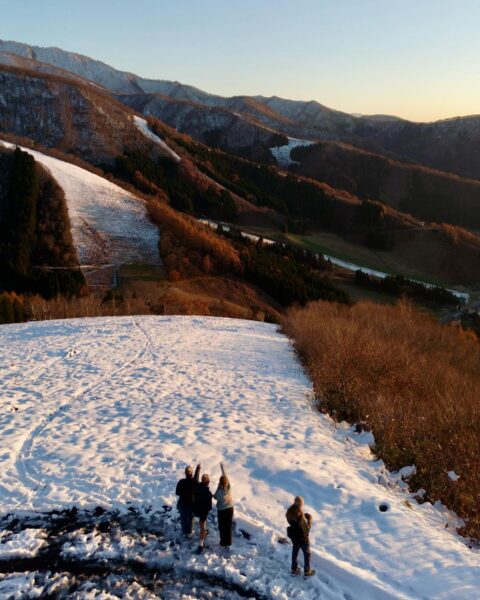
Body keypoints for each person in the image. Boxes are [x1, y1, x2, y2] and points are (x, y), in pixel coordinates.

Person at [286, 496, 315, 578]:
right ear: (301, 504)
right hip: (302, 539)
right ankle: (307, 572)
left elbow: (292, 521)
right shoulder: (299, 515)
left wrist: (303, 516)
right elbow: (307, 529)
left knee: (295, 553)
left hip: (294, 537)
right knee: (307, 554)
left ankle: (294, 569)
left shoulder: (289, 511)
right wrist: (310, 519)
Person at [213, 462, 234, 548]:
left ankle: (223, 542)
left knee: (222, 527)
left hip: (222, 510)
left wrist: (218, 487)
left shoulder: (219, 492)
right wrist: (222, 468)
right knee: (228, 526)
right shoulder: (229, 486)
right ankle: (228, 542)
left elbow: (215, 497)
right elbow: (225, 475)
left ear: (220, 483)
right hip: (230, 508)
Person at [193, 463, 213, 552]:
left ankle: (204, 531)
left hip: (196, 510)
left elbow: (195, 479)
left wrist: (198, 469)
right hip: (203, 513)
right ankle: (201, 544)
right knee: (202, 527)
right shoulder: (208, 494)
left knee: (202, 526)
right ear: (208, 482)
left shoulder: (196, 486)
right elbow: (209, 507)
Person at [175, 465, 195, 536]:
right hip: (191, 504)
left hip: (182, 503)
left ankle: (185, 532)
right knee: (190, 519)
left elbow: (177, 492)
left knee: (183, 518)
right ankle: (189, 532)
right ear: (191, 473)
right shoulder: (194, 482)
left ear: (185, 473)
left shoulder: (181, 481)